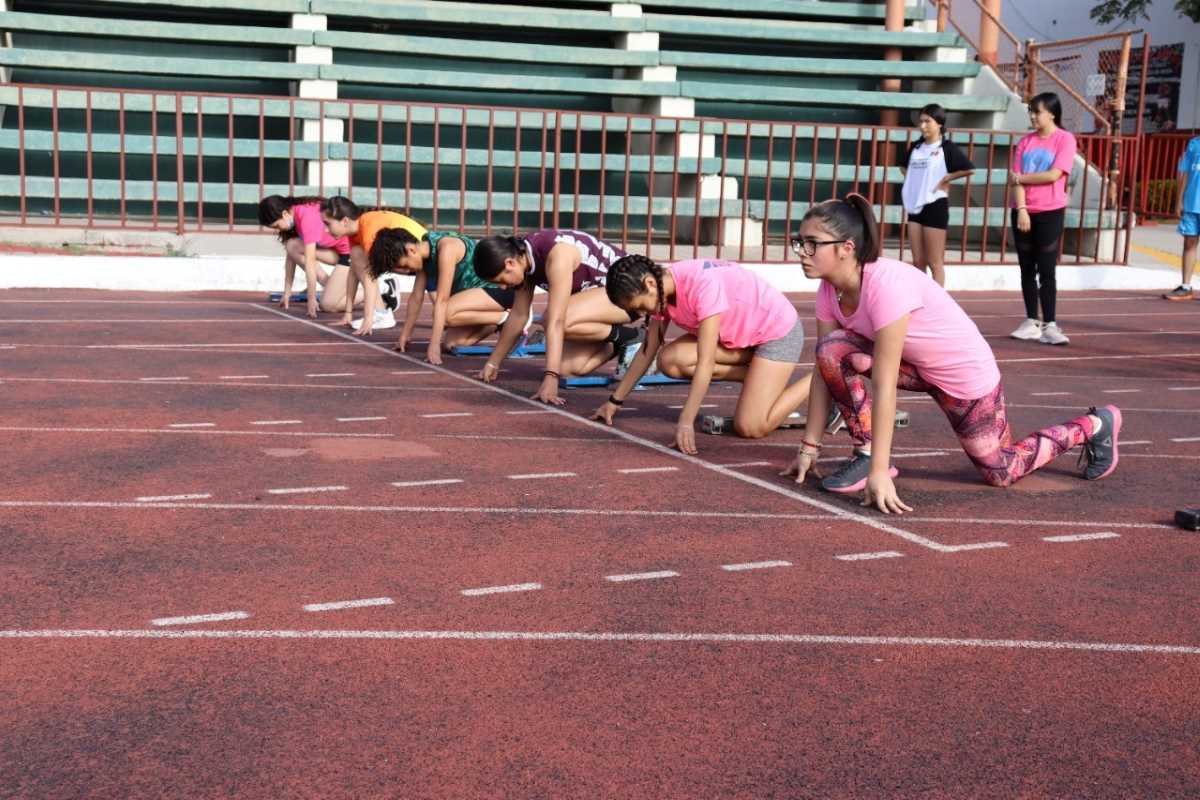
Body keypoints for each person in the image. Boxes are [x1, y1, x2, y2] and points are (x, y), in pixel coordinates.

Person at [781, 194, 1121, 515]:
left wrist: (880, 473)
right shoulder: (830, 289)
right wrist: (809, 446)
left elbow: (884, 383)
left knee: (1001, 470)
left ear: (846, 248)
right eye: (799, 242)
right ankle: (866, 450)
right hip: (915, 367)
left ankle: (1094, 425)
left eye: (811, 243)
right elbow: (825, 368)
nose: (801, 252)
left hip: (963, 376)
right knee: (832, 349)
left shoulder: (885, 285)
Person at [592, 255, 812, 455]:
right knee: (669, 360)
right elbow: (648, 349)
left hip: (776, 333)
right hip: (740, 341)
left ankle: (818, 380)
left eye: (641, 306)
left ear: (649, 283)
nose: (642, 314)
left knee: (750, 427)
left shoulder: (701, 285)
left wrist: (686, 421)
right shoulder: (661, 290)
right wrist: (614, 401)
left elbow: (705, 361)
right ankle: (759, 379)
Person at [472, 229, 640, 405]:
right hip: (599, 301)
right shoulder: (523, 260)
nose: (503, 287)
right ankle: (627, 338)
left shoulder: (556, 255)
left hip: (630, 291)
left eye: (500, 281)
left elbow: (557, 320)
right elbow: (518, 315)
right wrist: (493, 362)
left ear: (509, 263)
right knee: (565, 367)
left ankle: (628, 338)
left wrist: (551, 377)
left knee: (556, 318)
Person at [367, 228, 515, 365]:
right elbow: (416, 297)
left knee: (446, 314)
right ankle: (497, 320)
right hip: (478, 297)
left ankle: (507, 318)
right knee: (452, 344)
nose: (406, 271)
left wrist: (434, 345)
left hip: (498, 289)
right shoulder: (423, 256)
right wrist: (405, 334)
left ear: (411, 249)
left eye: (405, 266)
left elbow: (442, 300)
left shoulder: (447, 248)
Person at [1009, 92, 1076, 346]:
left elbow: (1053, 175)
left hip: (1050, 212)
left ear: (1052, 114)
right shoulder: (1025, 142)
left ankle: (1050, 324)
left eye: (1037, 112)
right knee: (1026, 268)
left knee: (1046, 269)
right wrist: (1022, 208)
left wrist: (1022, 178)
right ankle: (1031, 321)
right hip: (1023, 211)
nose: (1033, 117)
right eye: (1031, 112)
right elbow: (1014, 179)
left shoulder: (1065, 139)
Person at [319, 197, 427, 336]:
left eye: (327, 224)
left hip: (420, 258)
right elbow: (353, 271)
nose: (325, 230)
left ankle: (381, 314)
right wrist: (348, 314)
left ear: (345, 221)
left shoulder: (368, 230)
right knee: (356, 254)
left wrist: (368, 320)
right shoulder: (355, 232)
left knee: (444, 310)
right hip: (404, 259)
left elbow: (370, 277)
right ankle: (381, 312)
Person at [900, 104, 975, 286]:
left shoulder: (946, 148)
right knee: (918, 261)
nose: (923, 126)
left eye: (928, 121)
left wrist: (947, 178)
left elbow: (968, 169)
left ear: (939, 123)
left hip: (935, 206)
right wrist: (916, 183)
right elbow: (903, 167)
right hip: (915, 208)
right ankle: (920, 299)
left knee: (935, 262)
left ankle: (938, 300)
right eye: (921, 121)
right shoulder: (916, 147)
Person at [257, 195, 354, 318]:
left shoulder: (306, 217)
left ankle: (374, 295)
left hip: (350, 254)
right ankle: (330, 286)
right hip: (335, 252)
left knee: (328, 305)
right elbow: (291, 255)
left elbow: (310, 261)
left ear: (285, 214)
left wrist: (311, 299)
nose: (278, 229)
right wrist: (287, 292)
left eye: (277, 226)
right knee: (292, 245)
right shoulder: (296, 215)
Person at [1162, 133, 1200, 301]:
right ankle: (1185, 287)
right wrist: (1179, 200)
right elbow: (1184, 173)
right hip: (1192, 204)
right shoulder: (1194, 144)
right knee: (1189, 242)